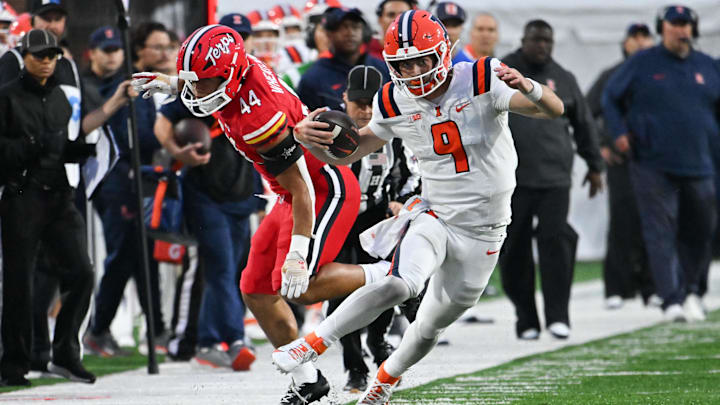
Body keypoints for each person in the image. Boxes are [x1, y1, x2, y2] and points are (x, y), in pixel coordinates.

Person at [271, 10, 564, 404]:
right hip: (435, 213)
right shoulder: (393, 98)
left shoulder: (479, 77)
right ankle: (312, 344)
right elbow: (351, 150)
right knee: (400, 282)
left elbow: (553, 109)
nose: (413, 71)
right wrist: (308, 138)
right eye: (403, 64)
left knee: (428, 326)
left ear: (442, 53)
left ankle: (385, 379)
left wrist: (528, 87)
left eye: (421, 60)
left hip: (485, 229)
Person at [132, 24, 396, 404]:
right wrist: (176, 84)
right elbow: (217, 79)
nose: (196, 90)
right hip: (292, 191)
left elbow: (304, 189)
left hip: (323, 188)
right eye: (194, 81)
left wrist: (296, 255)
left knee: (299, 286)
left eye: (202, 82)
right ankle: (308, 380)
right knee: (255, 288)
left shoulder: (259, 121)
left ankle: (393, 273)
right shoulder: (240, 69)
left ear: (230, 76)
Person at [0, 28, 133, 387]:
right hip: (21, 196)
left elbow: (65, 145)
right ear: (23, 56)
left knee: (82, 273)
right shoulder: (6, 97)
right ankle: (13, 364)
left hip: (59, 196)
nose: (45, 62)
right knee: (18, 284)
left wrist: (88, 150)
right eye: (38, 55)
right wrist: (34, 145)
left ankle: (66, 354)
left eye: (52, 56)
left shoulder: (61, 97)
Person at [603, 5, 720, 323]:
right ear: (663, 28)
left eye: (686, 25)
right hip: (652, 162)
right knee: (660, 230)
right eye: (675, 24)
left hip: (701, 162)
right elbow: (609, 98)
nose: (681, 30)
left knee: (701, 230)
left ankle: (692, 289)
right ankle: (671, 299)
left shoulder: (708, 66)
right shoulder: (642, 63)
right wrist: (618, 133)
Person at [499, 19, 604, 341]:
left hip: (555, 177)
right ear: (524, 39)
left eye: (548, 41)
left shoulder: (564, 77)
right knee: (514, 246)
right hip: (510, 178)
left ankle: (559, 316)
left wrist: (595, 164)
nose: (542, 45)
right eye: (536, 40)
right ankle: (526, 318)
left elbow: (583, 123)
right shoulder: (503, 71)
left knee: (555, 242)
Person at [328, 65, 421, 393]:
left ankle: (378, 338)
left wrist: (402, 202)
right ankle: (354, 367)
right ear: (345, 99)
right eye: (358, 103)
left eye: (371, 103)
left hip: (376, 219)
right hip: (336, 219)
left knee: (386, 282)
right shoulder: (328, 127)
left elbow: (411, 175)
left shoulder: (393, 130)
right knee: (339, 293)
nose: (366, 110)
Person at [154, 97, 265, 370]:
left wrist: (263, 195)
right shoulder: (196, 90)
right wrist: (177, 152)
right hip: (205, 195)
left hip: (241, 192)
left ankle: (207, 341)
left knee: (231, 271)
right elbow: (162, 124)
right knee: (221, 269)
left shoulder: (253, 87)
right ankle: (236, 338)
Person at [83, 22, 169, 357]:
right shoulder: (88, 85)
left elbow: (145, 135)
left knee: (143, 254)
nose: (112, 56)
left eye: (116, 49)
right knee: (123, 254)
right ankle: (100, 328)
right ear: (93, 53)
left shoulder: (133, 83)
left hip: (140, 176)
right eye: (106, 50)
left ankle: (155, 329)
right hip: (109, 179)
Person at [586, 23, 655, 309]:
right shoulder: (611, 75)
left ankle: (652, 287)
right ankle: (617, 287)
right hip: (622, 161)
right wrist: (603, 145)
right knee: (622, 221)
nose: (639, 42)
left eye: (644, 37)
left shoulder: (659, 74)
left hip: (655, 162)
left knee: (655, 222)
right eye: (634, 37)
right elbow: (587, 112)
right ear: (624, 43)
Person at [297, 7, 389, 111]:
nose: (350, 32)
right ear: (329, 34)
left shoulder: (384, 68)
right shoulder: (312, 79)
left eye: (355, 26)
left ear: (364, 31)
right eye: (342, 27)